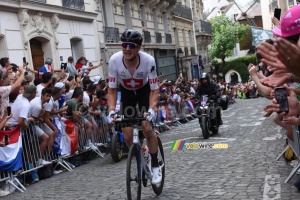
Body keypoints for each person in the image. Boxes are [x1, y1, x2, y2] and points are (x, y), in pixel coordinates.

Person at [107, 29, 161, 184]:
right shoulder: (114, 60)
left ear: (138, 48)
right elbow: (111, 89)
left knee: (147, 128)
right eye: (124, 45)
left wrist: (151, 109)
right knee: (128, 135)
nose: (127, 49)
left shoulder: (148, 60)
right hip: (127, 94)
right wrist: (111, 111)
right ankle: (140, 154)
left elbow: (154, 89)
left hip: (144, 93)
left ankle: (156, 164)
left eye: (131, 45)